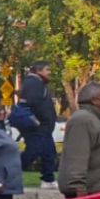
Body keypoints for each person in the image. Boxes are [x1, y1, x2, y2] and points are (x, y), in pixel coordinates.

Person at [19, 61, 59, 189]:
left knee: (47, 152)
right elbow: (29, 104)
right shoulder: (34, 83)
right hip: (39, 128)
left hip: (42, 127)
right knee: (34, 153)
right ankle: (9, 171)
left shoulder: (35, 83)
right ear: (39, 71)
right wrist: (37, 122)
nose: (49, 72)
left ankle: (48, 178)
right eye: (47, 69)